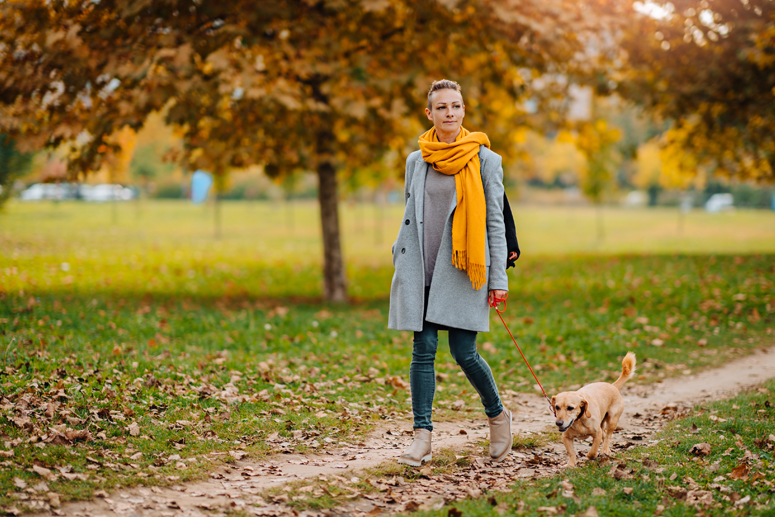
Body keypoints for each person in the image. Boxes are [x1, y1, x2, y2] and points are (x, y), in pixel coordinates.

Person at [388, 79, 512, 466]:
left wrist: (498, 280)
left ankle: (497, 415)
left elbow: (494, 222)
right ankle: (421, 438)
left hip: (463, 268)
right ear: (430, 113)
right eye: (442, 107)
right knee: (422, 351)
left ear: (463, 110)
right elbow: (411, 214)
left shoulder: (485, 160)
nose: (450, 114)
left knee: (464, 352)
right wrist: (398, 254)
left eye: (456, 106)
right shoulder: (416, 160)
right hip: (420, 267)